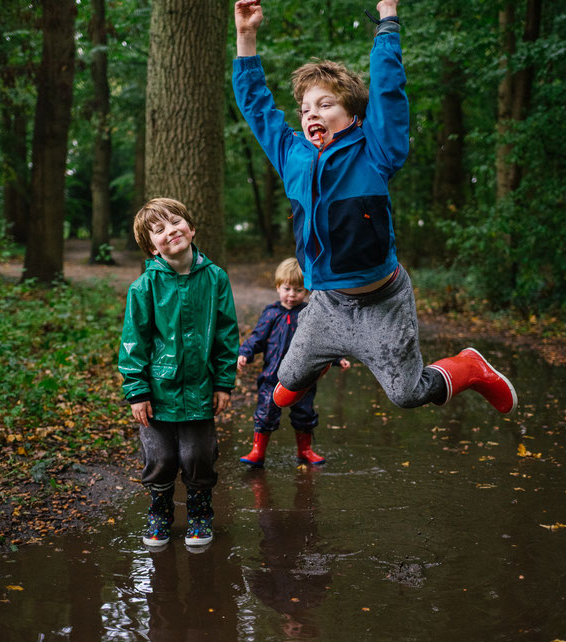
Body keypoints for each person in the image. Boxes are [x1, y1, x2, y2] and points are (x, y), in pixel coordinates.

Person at [232, 0, 517, 417]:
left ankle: (469, 367)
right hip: (326, 303)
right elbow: (257, 106)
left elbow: (387, 92)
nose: (312, 113)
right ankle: (316, 360)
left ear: (354, 116)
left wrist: (387, 21)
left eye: (325, 104)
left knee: (407, 393)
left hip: (383, 301)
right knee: (284, 383)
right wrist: (246, 35)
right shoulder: (291, 154)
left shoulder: (375, 151)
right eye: (306, 108)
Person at [118, 198, 239, 548]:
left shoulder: (215, 278)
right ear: (151, 246)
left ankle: (200, 512)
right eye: (159, 230)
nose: (170, 231)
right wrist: (137, 391)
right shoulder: (144, 287)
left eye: (175, 222)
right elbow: (133, 341)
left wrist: (223, 383)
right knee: (161, 457)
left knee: (198, 455)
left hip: (200, 388)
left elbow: (226, 334)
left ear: (191, 227)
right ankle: (160, 510)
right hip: (158, 392)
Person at [237, 258, 350, 466]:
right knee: (266, 413)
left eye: (298, 290)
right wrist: (245, 352)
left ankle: (305, 450)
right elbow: (257, 338)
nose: (291, 295)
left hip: (303, 377)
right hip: (272, 377)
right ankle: (257, 451)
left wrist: (337, 358)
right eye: (287, 288)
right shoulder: (271, 313)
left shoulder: (308, 315)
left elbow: (321, 343)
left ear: (306, 292)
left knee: (304, 413)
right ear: (278, 287)